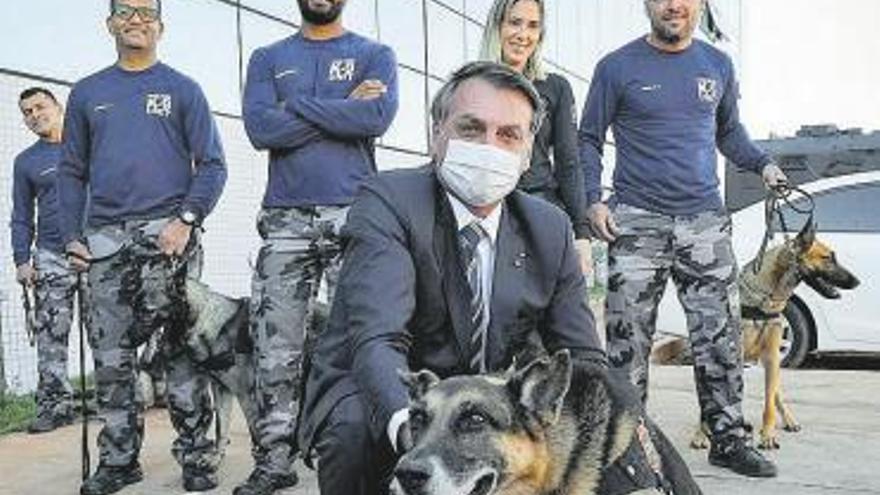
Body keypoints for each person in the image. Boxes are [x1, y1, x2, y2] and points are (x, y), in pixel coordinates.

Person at [299, 61, 606, 495]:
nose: (489, 147)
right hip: (391, 387)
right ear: (436, 133)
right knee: (353, 431)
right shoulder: (388, 201)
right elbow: (379, 340)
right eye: (471, 128)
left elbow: (585, 360)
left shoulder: (549, 227)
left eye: (508, 135)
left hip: (486, 401)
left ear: (527, 151)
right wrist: (424, 438)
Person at [578, 0, 787, 479]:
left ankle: (729, 439)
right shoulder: (616, 67)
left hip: (705, 222)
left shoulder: (717, 64)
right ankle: (626, 446)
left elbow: (729, 132)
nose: (675, 5)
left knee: (720, 337)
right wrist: (593, 199)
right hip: (636, 219)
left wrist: (764, 163)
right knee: (628, 340)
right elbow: (588, 137)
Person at [57, 1, 228, 493]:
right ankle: (118, 459)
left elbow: (212, 165)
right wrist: (72, 235)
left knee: (180, 354)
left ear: (161, 24)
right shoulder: (89, 92)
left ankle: (197, 457)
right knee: (111, 356)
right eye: (125, 10)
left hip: (169, 240)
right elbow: (71, 171)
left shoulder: (183, 89)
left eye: (146, 11)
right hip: (105, 242)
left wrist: (186, 219)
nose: (136, 18)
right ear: (109, 23)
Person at [237, 0, 398, 493]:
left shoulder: (375, 52)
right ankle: (274, 460)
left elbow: (374, 118)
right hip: (285, 219)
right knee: (274, 346)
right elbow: (261, 129)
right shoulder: (268, 56)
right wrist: (342, 105)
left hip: (354, 211)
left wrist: (297, 107)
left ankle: (369, 449)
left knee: (363, 336)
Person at [479, 0, 592, 273]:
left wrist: (582, 232)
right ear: (497, 26)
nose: (523, 34)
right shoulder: (471, 84)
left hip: (539, 206)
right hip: (485, 209)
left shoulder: (555, 87)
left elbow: (569, 162)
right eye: (514, 22)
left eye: (533, 26)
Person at [9, 87, 78, 434]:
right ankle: (56, 406)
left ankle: (119, 401)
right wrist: (22, 259)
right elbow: (21, 216)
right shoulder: (26, 161)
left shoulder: (87, 144)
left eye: (40, 106)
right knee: (51, 336)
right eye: (27, 112)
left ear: (58, 107)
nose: (35, 115)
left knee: (108, 333)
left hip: (98, 250)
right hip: (51, 256)